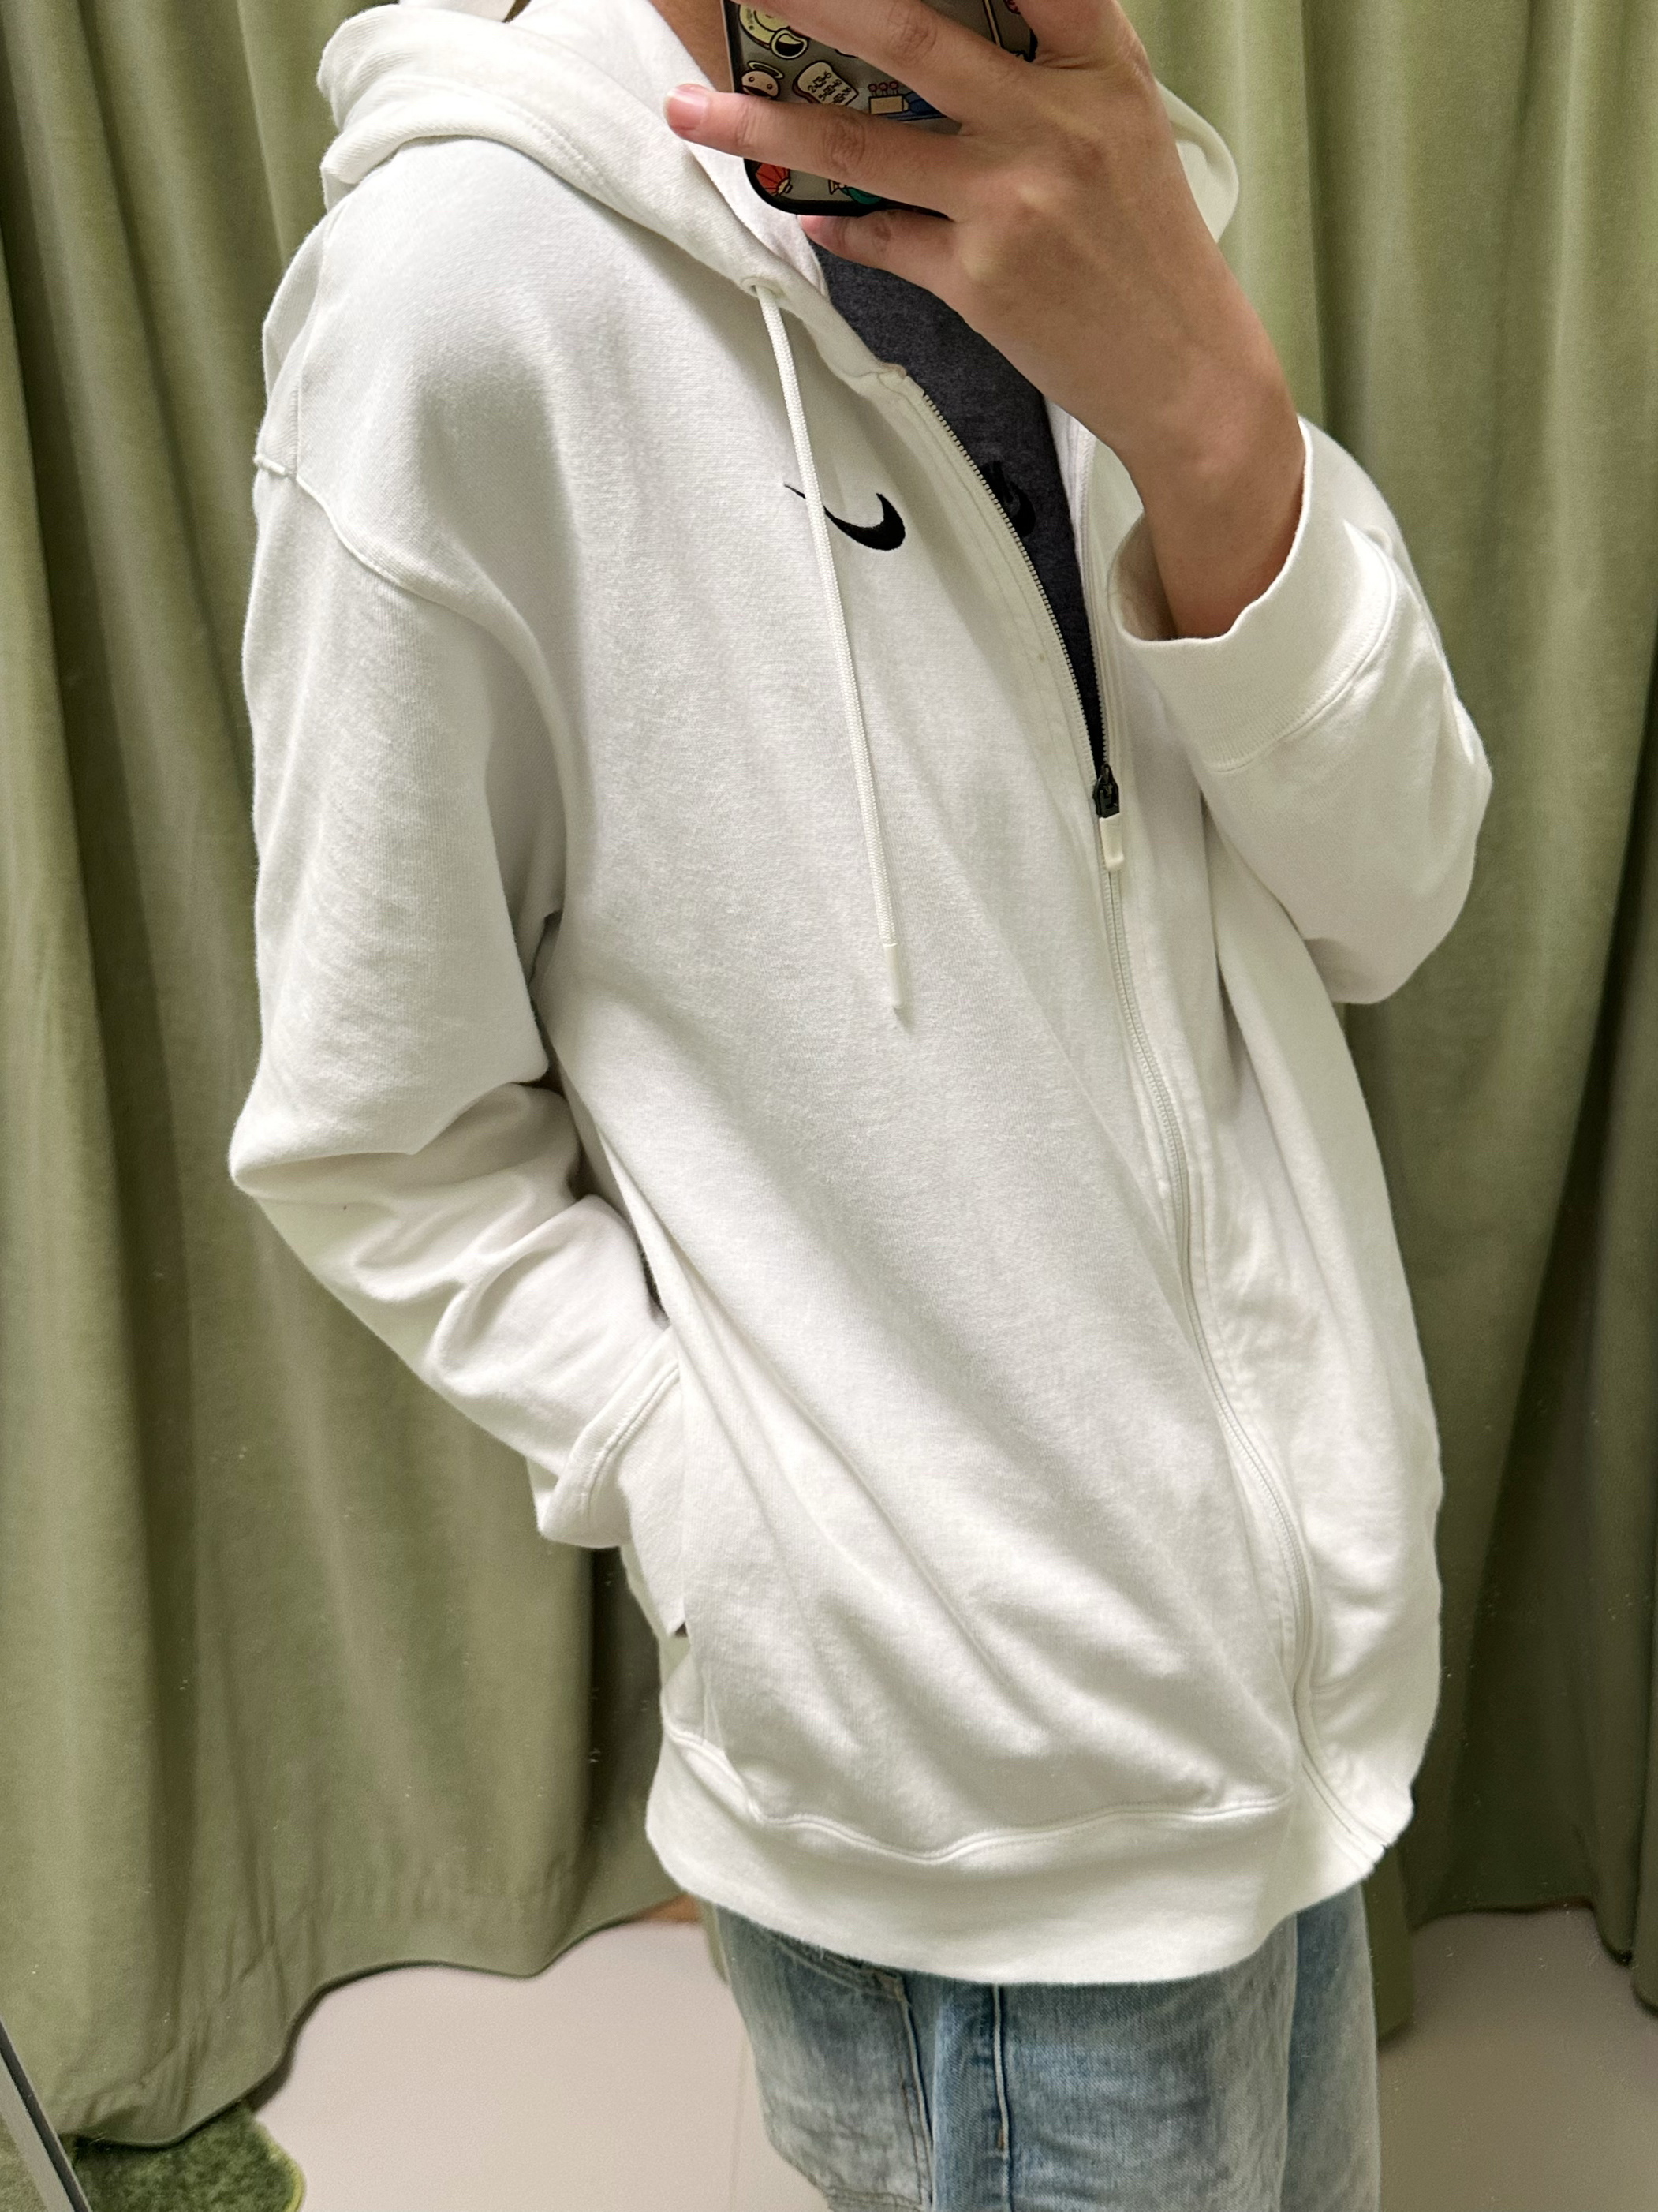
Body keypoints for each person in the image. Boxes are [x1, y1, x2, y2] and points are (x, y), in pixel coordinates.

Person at [228, 0, 1492, 2201]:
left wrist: (1211, 413)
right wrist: (754, 1525)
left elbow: (1390, 900)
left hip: (1295, 1713)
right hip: (953, 1817)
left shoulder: (1105, 194)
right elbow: (378, 1126)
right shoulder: (459, 301)